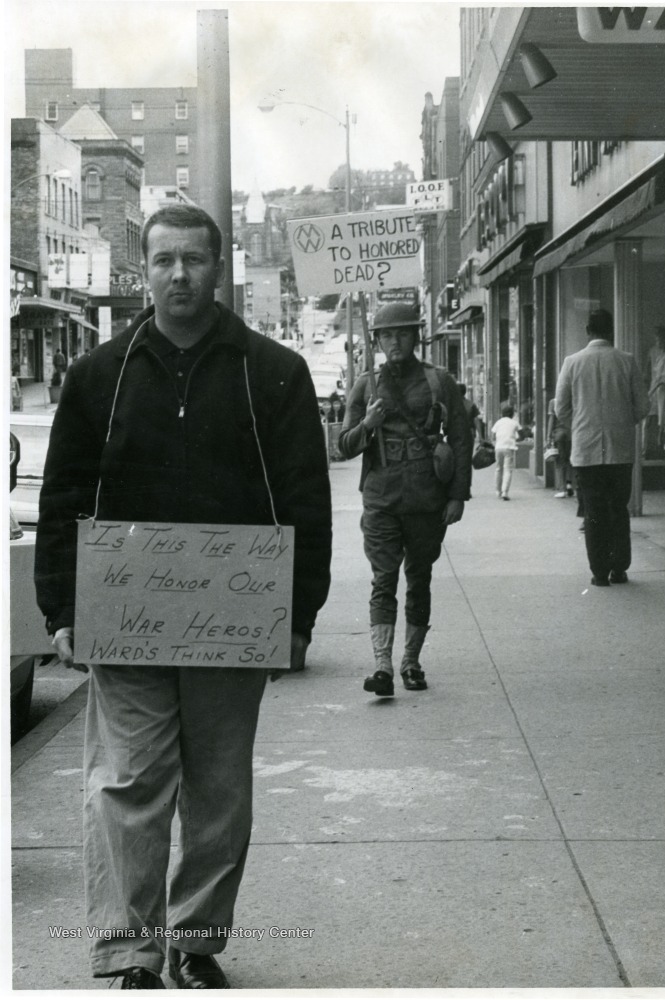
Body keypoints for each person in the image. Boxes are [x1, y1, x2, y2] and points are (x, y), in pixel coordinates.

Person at [34, 205, 332, 989]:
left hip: (232, 624)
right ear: (143, 270)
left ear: (219, 266)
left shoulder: (273, 372)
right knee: (125, 783)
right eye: (163, 260)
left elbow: (305, 500)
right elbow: (64, 494)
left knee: (218, 791)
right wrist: (62, 608)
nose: (178, 275)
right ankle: (130, 953)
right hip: (123, 619)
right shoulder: (100, 374)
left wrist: (298, 618)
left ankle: (195, 942)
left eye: (194, 260)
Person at [338, 302, 472, 697]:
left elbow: (461, 439)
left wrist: (457, 495)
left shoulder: (438, 381)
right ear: (377, 341)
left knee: (420, 578)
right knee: (383, 579)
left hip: (427, 496)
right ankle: (382, 666)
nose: (394, 342)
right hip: (381, 497)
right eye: (386, 335)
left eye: (402, 334)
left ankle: (411, 662)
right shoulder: (365, 385)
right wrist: (369, 423)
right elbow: (343, 446)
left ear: (416, 337)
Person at [555, 308, 650, 587]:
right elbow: (643, 406)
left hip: (586, 453)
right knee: (619, 510)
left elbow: (561, 408)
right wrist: (622, 421)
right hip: (620, 451)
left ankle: (599, 572)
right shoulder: (627, 361)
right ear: (612, 331)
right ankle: (619, 568)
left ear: (588, 331)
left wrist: (582, 425)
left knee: (594, 512)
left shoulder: (571, 363)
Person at [646, 325, 665, 453]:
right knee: (653, 418)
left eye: (661, 339)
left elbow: (664, 377)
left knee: (664, 419)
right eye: (657, 340)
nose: (659, 342)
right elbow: (649, 373)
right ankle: (653, 447)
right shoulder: (653, 353)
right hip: (655, 391)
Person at [491, 404, 521, 501]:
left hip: (498, 447)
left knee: (498, 469)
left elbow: (493, 435)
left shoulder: (498, 422)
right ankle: (505, 492)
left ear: (502, 413)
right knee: (508, 469)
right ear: (512, 414)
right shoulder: (514, 423)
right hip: (509, 447)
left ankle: (498, 491)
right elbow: (521, 434)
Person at [545, 397, 574, 499]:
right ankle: (570, 484)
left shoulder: (553, 402)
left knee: (560, 462)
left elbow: (551, 420)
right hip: (572, 434)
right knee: (570, 460)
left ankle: (562, 490)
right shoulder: (572, 400)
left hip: (559, 435)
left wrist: (548, 437)